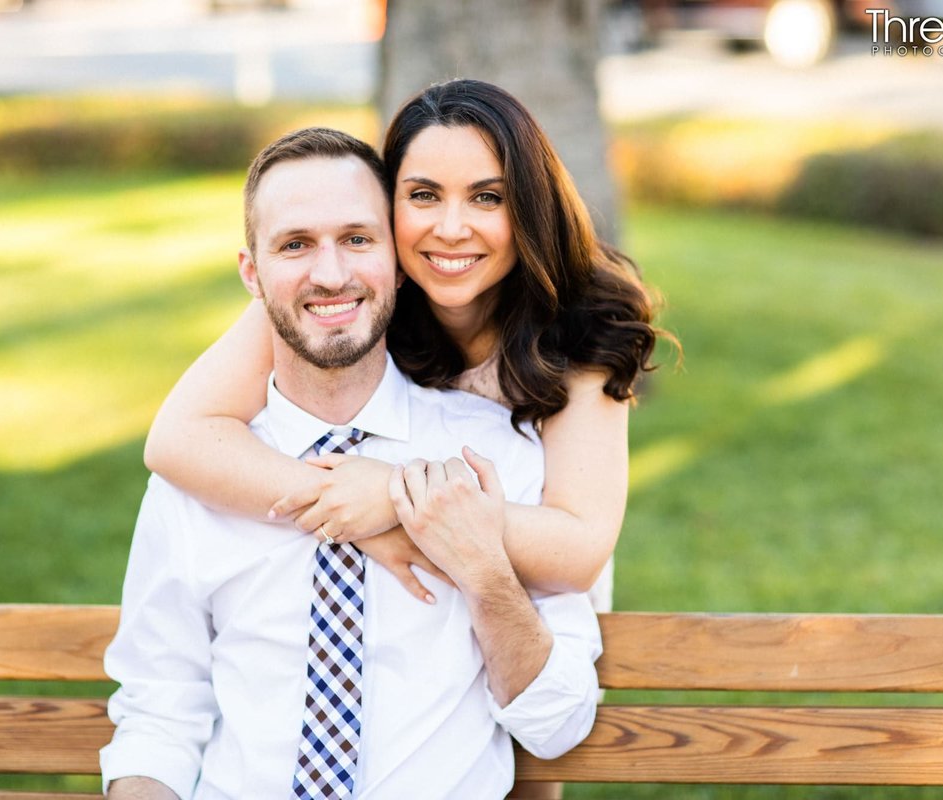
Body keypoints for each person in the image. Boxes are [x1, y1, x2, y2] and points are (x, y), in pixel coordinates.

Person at [101, 127, 602, 799]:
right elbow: (158, 710)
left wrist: (482, 569)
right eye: (295, 245)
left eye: (358, 240)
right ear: (252, 272)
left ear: (398, 260)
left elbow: (558, 724)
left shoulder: (495, 457)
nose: (330, 275)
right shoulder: (201, 479)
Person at [144, 79, 666, 620]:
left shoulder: (581, 326)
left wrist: (396, 501)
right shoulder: (350, 294)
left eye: (487, 197)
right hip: (388, 618)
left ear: (530, 209)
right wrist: (350, 510)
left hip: (535, 623)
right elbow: (179, 438)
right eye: (423, 195)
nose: (451, 228)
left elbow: (576, 551)